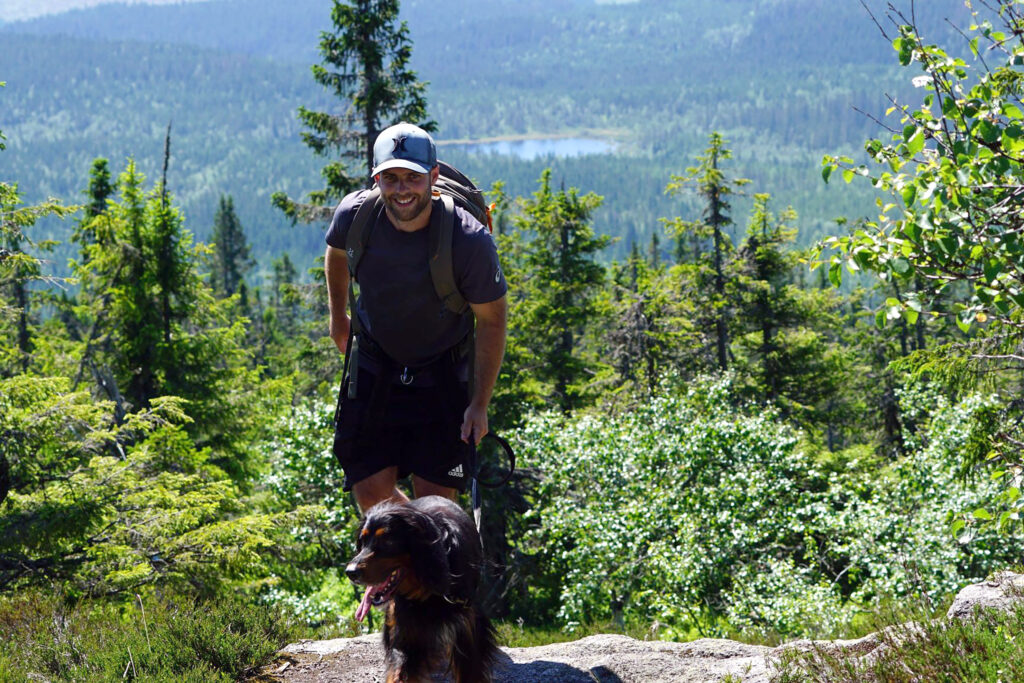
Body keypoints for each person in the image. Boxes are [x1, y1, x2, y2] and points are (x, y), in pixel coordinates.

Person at [324, 122, 508, 513]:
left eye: (413, 177)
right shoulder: (356, 217)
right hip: (374, 369)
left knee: (436, 507)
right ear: (376, 179)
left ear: (434, 177)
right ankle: (403, 555)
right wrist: (338, 318)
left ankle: (426, 560)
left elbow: (492, 321)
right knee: (373, 501)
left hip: (441, 376)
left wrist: (479, 403)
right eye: (390, 178)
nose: (402, 189)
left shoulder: (468, 240)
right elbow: (337, 252)